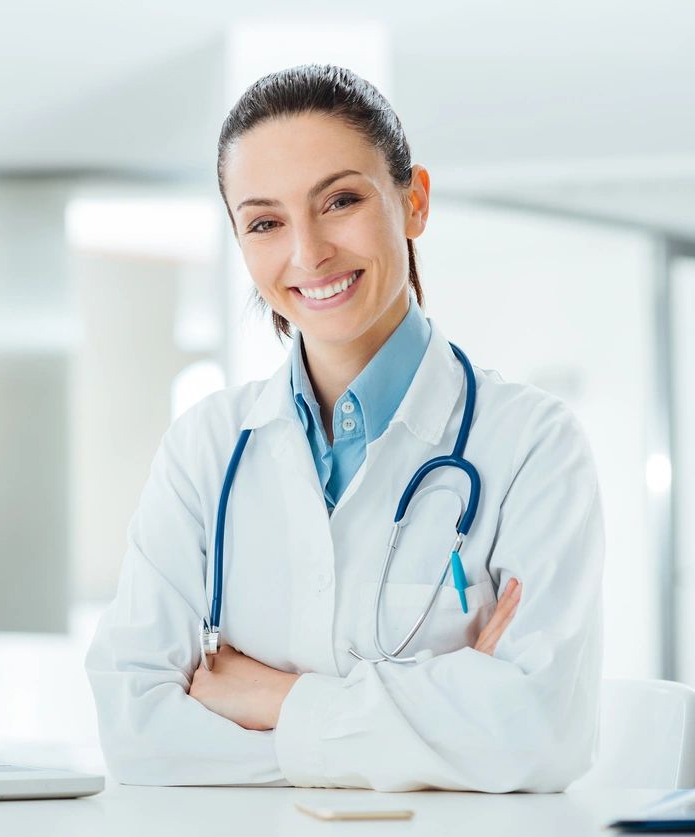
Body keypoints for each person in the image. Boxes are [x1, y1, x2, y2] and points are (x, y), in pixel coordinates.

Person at [84, 64, 604, 792]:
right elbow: (137, 733)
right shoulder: (205, 451)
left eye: (339, 200)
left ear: (413, 201)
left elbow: (540, 734)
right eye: (265, 221)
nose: (308, 252)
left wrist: (274, 697)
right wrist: (441, 730)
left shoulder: (533, 446)